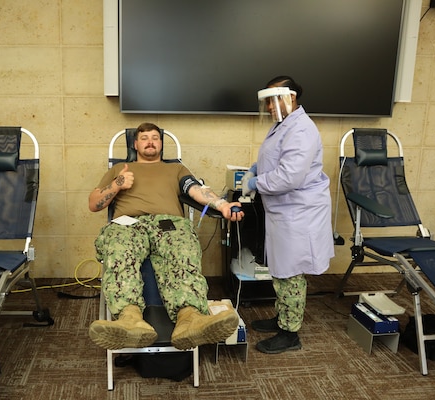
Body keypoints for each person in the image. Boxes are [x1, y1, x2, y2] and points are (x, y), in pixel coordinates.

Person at [88, 122, 244, 351]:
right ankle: (130, 319)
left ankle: (189, 319)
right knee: (119, 249)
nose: (150, 141)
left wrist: (221, 205)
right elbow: (94, 204)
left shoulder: (176, 169)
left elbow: (197, 190)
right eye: (144, 138)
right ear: (135, 144)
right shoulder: (120, 168)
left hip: (169, 224)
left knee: (184, 248)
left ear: (161, 144)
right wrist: (118, 183)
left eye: (155, 137)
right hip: (127, 225)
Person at [241, 76, 334, 354]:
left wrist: (256, 182)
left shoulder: (301, 129)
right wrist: (257, 167)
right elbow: (277, 158)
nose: (269, 106)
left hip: (298, 210)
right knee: (280, 270)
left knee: (290, 272)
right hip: (285, 210)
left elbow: (289, 176)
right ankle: (282, 318)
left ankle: (290, 333)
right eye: (266, 101)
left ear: (290, 97)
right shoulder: (285, 125)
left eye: (272, 100)